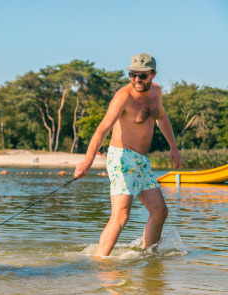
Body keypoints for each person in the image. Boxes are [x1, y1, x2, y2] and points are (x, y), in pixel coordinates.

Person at [74, 53, 182, 256]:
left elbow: (162, 119)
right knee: (121, 216)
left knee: (160, 211)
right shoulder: (124, 96)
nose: (137, 80)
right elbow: (102, 129)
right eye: (133, 75)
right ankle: (100, 262)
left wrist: (173, 148)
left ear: (153, 75)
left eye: (142, 76)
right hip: (121, 158)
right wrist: (87, 162)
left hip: (141, 161)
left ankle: (147, 257)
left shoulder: (156, 93)